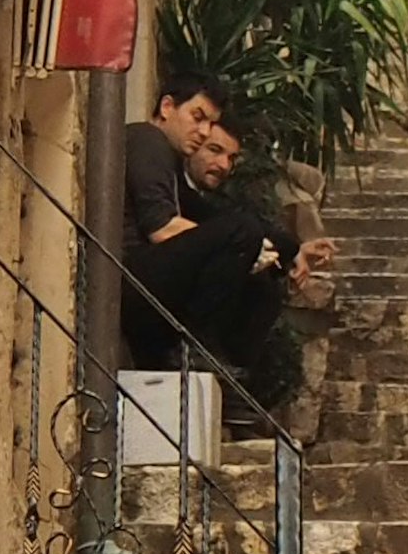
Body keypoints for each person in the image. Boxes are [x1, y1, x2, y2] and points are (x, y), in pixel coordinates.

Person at [120, 71, 335, 422]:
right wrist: (246, 244)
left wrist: (289, 249)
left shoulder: (170, 165)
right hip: (129, 281)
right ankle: (193, 349)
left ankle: (227, 380)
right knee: (242, 233)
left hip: (148, 290)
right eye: (198, 117)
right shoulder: (147, 140)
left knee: (262, 286)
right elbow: (162, 228)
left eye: (210, 123)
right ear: (167, 107)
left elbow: (211, 215)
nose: (203, 131)